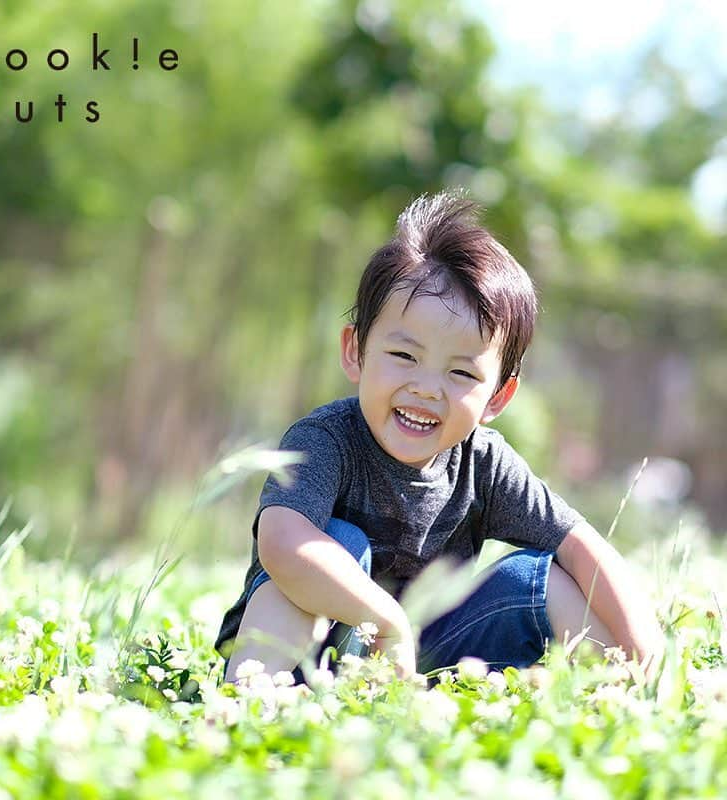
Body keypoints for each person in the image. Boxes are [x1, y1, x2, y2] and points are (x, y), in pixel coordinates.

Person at [215, 191, 663, 682]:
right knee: (336, 542)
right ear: (355, 352)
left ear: (497, 397)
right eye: (404, 357)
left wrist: (647, 657)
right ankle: (250, 705)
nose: (426, 390)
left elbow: (584, 547)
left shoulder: (485, 464)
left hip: (416, 663)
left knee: (541, 578)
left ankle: (620, 686)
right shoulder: (325, 439)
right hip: (306, 659)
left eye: (461, 374)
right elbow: (281, 543)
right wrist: (385, 622)